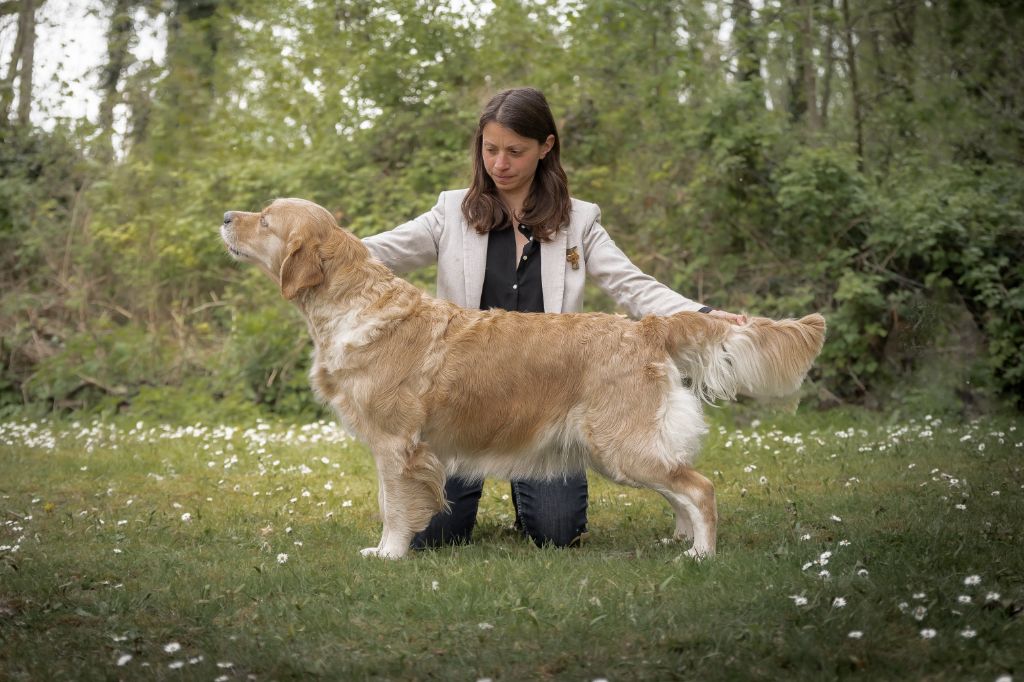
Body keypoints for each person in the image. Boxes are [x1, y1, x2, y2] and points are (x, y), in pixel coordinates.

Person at [362, 87, 746, 550]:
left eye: (515, 152)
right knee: (432, 536)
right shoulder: (451, 212)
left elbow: (631, 284)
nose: (499, 164)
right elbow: (373, 253)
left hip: (550, 395)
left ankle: (539, 497)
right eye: (490, 149)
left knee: (557, 533)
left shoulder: (578, 222)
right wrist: (318, 243)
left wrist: (702, 315)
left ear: (546, 147)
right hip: (464, 400)